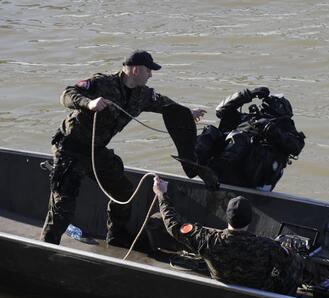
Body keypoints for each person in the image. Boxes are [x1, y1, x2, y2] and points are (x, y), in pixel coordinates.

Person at [40, 50, 206, 247]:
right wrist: (88, 103)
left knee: (124, 191)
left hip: (96, 151)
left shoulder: (143, 94)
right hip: (70, 148)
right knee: (63, 206)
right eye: (148, 71)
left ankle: (116, 236)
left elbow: (164, 104)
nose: (151, 75)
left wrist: (187, 113)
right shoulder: (102, 83)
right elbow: (66, 94)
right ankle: (47, 247)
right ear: (135, 70)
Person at [152, 175, 303, 295]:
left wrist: (161, 194)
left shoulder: (208, 240)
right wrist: (289, 250)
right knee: (296, 263)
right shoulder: (267, 247)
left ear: (227, 216)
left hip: (222, 280)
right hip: (258, 290)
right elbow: (288, 259)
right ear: (250, 220)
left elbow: (174, 226)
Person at [194, 87, 305, 191]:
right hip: (222, 171)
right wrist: (249, 94)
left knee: (239, 137)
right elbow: (221, 110)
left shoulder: (284, 128)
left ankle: (220, 170)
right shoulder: (248, 119)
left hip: (253, 180)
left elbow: (296, 147)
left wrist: (270, 129)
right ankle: (195, 162)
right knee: (211, 131)